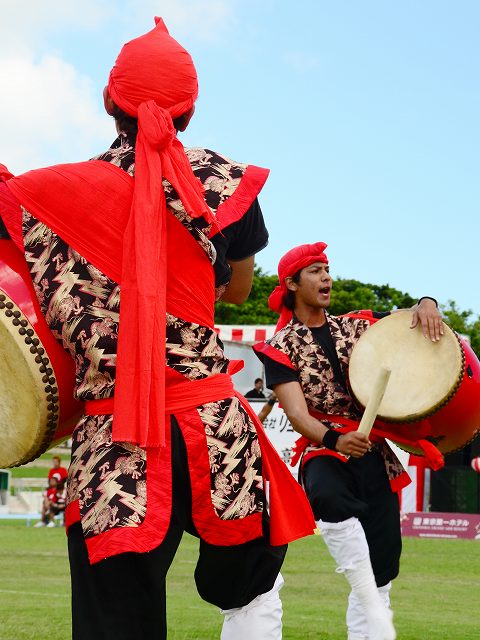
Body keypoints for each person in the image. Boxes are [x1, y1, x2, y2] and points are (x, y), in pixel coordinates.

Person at [0, 18, 315, 640]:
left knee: (115, 622)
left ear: (107, 101)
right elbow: (240, 290)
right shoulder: (228, 186)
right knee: (244, 582)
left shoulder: (43, 196)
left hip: (113, 443)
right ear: (190, 110)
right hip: (215, 433)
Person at [254, 242, 444, 640]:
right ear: (291, 284)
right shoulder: (278, 347)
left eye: (327, 269)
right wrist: (335, 439)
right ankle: (367, 593)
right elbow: (297, 414)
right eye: (315, 271)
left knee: (384, 563)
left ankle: (372, 610)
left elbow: (407, 320)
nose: (327, 277)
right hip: (325, 448)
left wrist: (426, 302)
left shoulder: (358, 325)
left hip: (373, 448)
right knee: (328, 496)